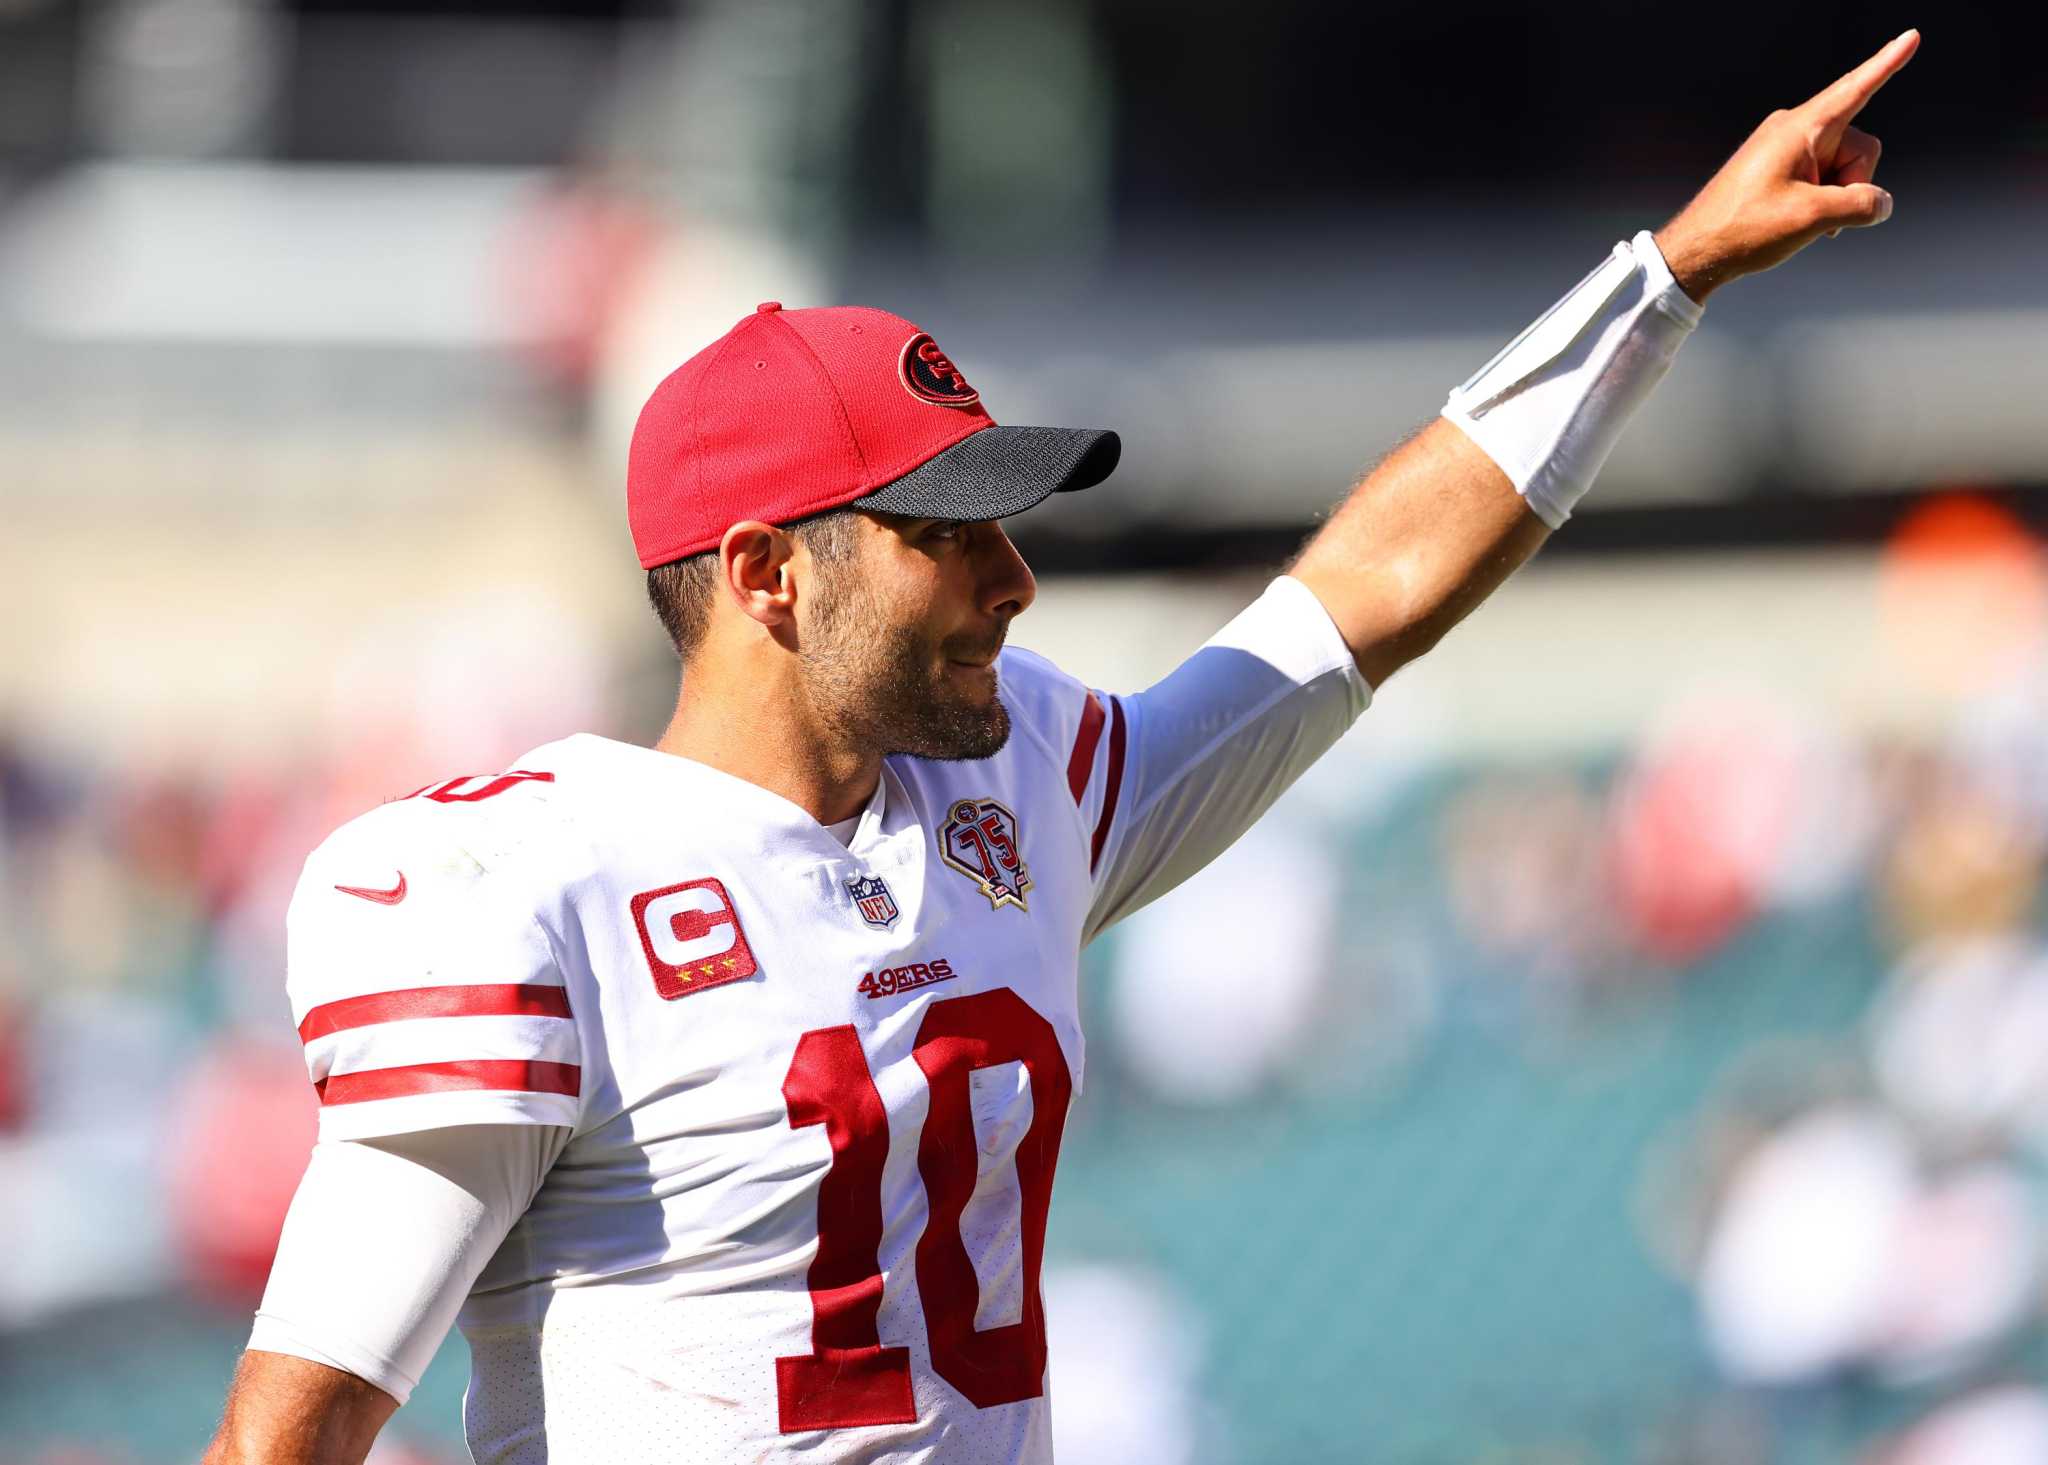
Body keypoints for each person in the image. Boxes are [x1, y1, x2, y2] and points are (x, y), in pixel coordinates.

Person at [204, 31, 1918, 1465]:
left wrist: (1666, 275)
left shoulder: (1013, 783)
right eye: (947, 534)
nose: (1014, 579)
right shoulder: (532, 888)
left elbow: (1354, 604)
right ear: (763, 574)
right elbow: (287, 1439)